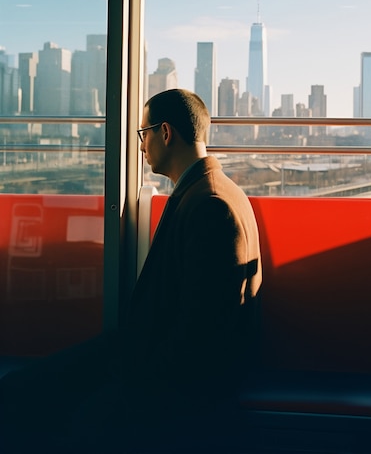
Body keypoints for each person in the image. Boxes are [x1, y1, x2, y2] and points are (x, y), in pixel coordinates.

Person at [0, 88, 262, 453]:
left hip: (167, 382)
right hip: (149, 358)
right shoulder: (208, 192)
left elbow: (198, 334)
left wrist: (131, 381)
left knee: (28, 399)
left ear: (165, 133)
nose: (140, 145)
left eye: (144, 133)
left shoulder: (209, 205)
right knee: (25, 388)